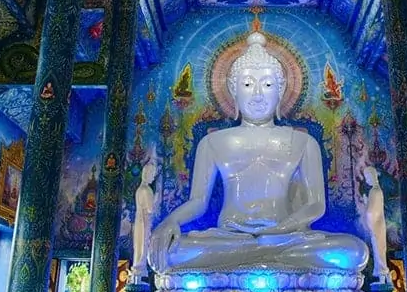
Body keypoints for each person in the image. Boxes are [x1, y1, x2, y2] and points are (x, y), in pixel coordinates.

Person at [147, 32, 368, 273]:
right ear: (234, 91)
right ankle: (266, 256)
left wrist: (278, 230)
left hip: (285, 236)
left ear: (281, 91)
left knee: (355, 251)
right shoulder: (212, 142)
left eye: (268, 84)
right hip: (229, 237)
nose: (258, 94)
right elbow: (198, 202)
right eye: (248, 84)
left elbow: (316, 205)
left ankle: (252, 255)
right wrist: (170, 222)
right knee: (172, 252)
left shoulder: (304, 142)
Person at [363, 166, 390, 282]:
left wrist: (365, 203)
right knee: (379, 248)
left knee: (379, 249)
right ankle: (383, 272)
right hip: (379, 224)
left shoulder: (374, 191)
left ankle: (382, 271)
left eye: (367, 177)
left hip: (376, 225)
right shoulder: (377, 190)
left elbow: (371, 212)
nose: (367, 180)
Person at [132, 163, 157, 279]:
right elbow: (151, 209)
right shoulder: (146, 190)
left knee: (138, 244)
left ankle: (138, 266)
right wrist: (156, 199)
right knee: (142, 244)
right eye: (152, 174)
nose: (153, 177)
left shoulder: (139, 190)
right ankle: (140, 268)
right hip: (144, 221)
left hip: (139, 221)